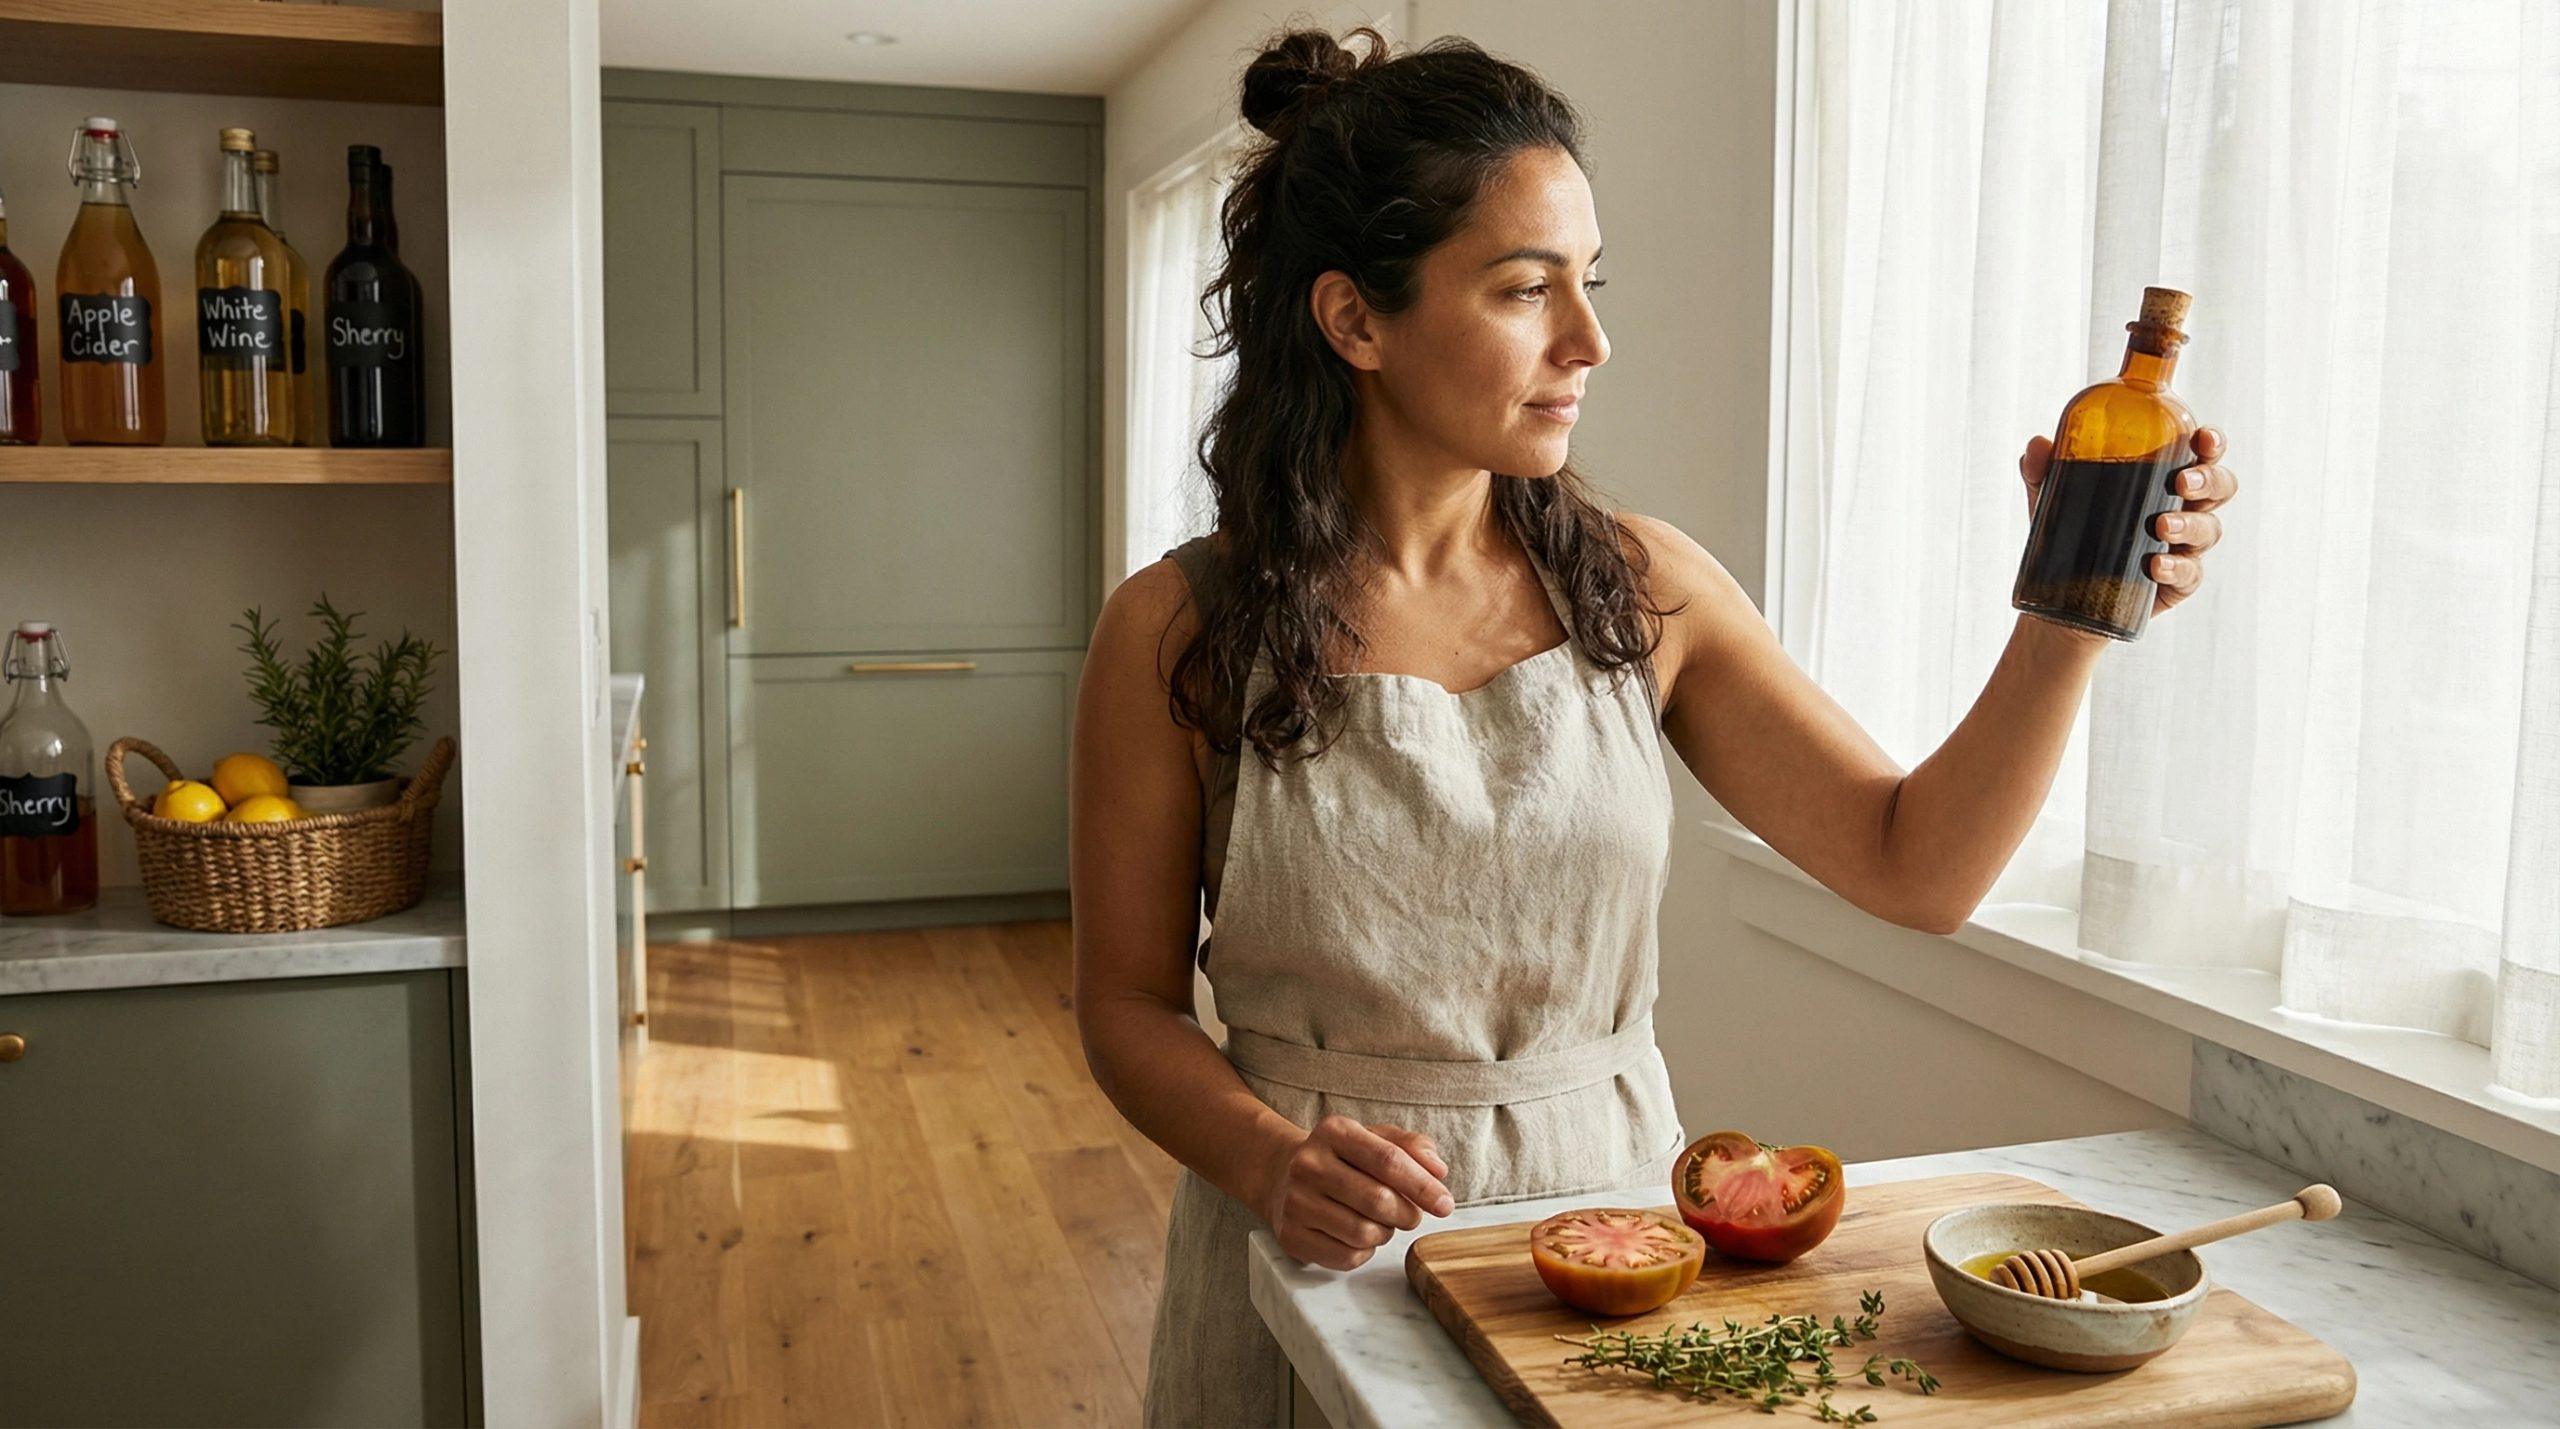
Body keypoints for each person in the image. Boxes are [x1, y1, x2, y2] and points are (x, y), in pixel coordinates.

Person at [1070, 26, 2236, 1427]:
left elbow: (1917, 864)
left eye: (1590, 281)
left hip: (1617, 1241)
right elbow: (1126, 1002)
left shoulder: (1644, 588)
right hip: (1318, 1250)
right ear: (1355, 320)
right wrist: (1268, 1162)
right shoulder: (1174, 631)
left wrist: (2070, 611)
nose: (1590, 339)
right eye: (1524, 288)